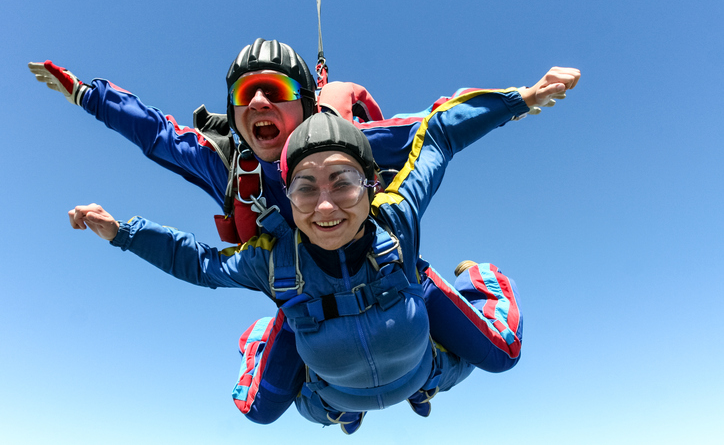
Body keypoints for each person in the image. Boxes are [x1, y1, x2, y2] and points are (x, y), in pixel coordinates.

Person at [69, 112, 524, 433]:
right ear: (288, 199)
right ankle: (266, 339)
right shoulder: (271, 259)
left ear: (372, 187)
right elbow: (200, 264)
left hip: (420, 364)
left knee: (504, 353)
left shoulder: (397, 218)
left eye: (344, 183)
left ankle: (479, 279)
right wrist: (123, 233)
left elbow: (440, 137)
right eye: (305, 189)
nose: (326, 206)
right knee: (258, 412)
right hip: (332, 385)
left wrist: (517, 101)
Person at [29, 38, 580, 245]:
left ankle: (425, 373)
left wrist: (520, 99)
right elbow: (151, 130)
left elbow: (430, 125)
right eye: (247, 94)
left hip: (372, 268)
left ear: (307, 103)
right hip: (295, 285)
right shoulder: (225, 164)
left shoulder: (346, 142)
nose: (260, 104)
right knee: (272, 402)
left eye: (276, 90)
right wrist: (85, 94)